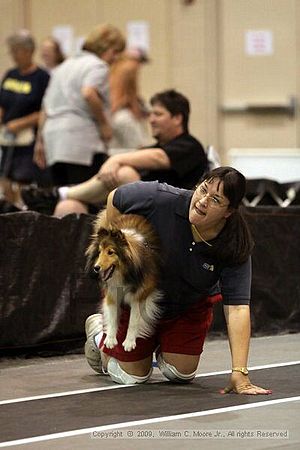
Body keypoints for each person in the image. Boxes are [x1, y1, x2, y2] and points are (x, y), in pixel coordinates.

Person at [84, 166, 272, 394]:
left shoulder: (234, 244)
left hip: (186, 308)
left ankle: (161, 345)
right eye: (203, 190)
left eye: (215, 199)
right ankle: (99, 335)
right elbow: (116, 198)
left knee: (180, 373)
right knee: (131, 377)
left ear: (228, 211)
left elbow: (238, 309)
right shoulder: (159, 198)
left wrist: (239, 372)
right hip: (136, 302)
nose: (203, 201)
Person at [22, 89, 208, 215]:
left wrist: (116, 159)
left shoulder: (190, 146)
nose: (151, 120)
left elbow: (159, 158)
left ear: (177, 118)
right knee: (69, 207)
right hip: (130, 207)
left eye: (158, 114)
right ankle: (63, 198)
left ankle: (59, 192)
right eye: (150, 114)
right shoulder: (153, 147)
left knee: (125, 173)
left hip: (168, 214)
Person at [33, 24, 125, 187]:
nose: (115, 59)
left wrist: (40, 141)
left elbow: (46, 107)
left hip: (53, 140)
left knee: (62, 194)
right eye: (115, 52)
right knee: (83, 198)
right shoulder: (97, 65)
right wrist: (104, 124)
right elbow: (89, 93)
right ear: (107, 48)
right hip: (81, 141)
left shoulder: (62, 67)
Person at [0, 30, 50, 205]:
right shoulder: (10, 75)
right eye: (12, 51)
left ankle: (22, 209)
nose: (14, 55)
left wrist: (21, 123)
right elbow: (2, 103)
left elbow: (45, 110)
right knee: (5, 178)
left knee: (23, 180)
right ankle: (9, 209)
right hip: (8, 139)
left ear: (29, 51)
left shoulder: (42, 77)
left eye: (17, 51)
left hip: (28, 141)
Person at [108, 48, 151, 152]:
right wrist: (138, 116)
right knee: (139, 150)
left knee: (116, 151)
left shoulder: (114, 67)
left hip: (111, 115)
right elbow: (131, 95)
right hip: (123, 115)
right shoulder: (131, 67)